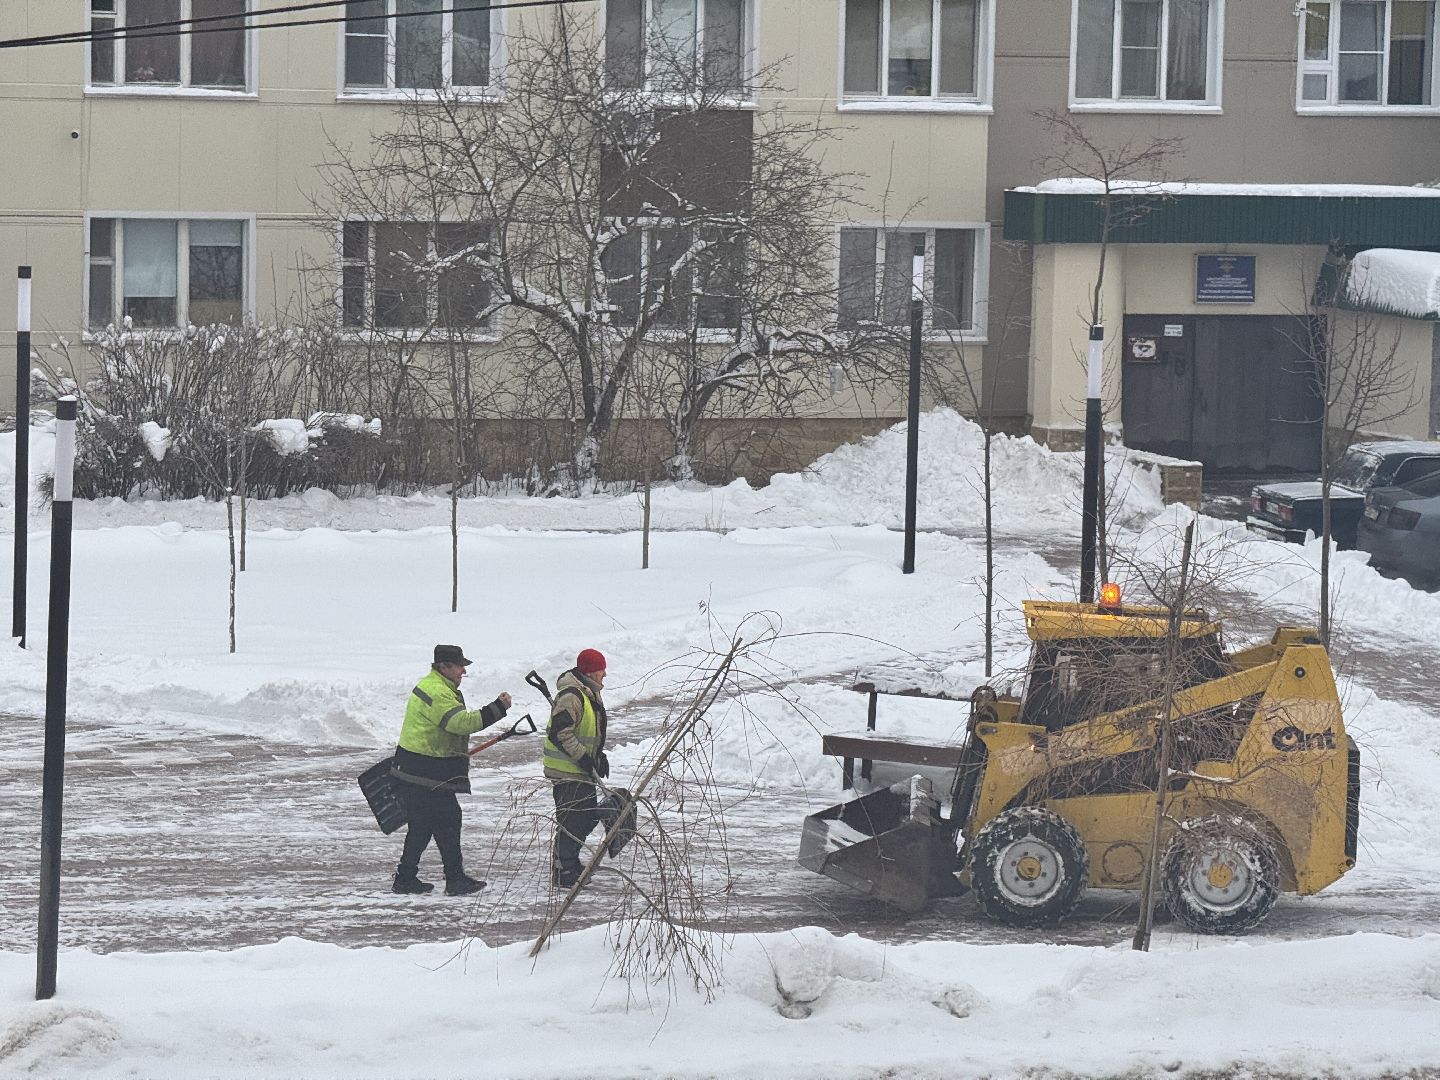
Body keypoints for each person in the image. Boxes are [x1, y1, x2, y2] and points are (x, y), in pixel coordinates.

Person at [390, 644, 511, 897]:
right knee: (449, 819)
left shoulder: (437, 686)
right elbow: (460, 723)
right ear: (443, 667)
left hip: (417, 768)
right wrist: (497, 709)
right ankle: (454, 880)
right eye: (459, 666)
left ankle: (405, 878)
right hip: (425, 772)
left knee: (422, 825)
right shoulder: (437, 691)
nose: (463, 672)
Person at [542, 648, 610, 889]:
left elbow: (586, 729)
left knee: (586, 816)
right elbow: (560, 732)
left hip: (579, 768)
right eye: (602, 668)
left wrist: (597, 756)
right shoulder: (572, 696)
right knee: (572, 820)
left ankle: (569, 861)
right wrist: (582, 757)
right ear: (591, 671)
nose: (605, 673)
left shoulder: (588, 692)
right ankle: (563, 869)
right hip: (566, 770)